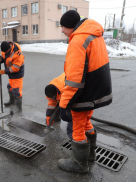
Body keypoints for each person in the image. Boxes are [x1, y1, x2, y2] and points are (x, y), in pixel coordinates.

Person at [58, 10, 112, 173]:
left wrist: (65, 102)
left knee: (78, 127)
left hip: (84, 92)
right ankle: (90, 155)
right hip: (96, 89)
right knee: (87, 122)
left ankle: (79, 164)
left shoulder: (78, 40)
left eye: (62, 27)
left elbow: (74, 78)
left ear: (69, 26)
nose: (61, 30)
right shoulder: (94, 34)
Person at [0, 41, 25, 114]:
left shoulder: (17, 54)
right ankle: (12, 101)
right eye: (3, 52)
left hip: (17, 74)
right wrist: (0, 59)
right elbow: (4, 57)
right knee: (10, 87)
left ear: (9, 49)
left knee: (16, 90)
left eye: (6, 51)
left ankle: (19, 108)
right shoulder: (5, 49)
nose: (4, 53)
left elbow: (15, 68)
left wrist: (4, 71)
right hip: (11, 74)